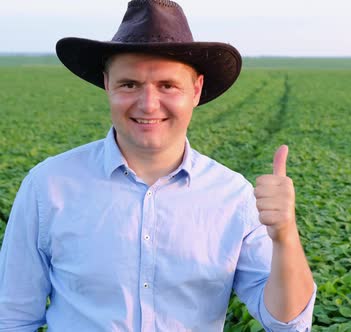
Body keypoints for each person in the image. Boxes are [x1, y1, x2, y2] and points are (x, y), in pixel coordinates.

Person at [0, 0, 315, 331]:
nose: (148, 104)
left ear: (195, 90)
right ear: (108, 85)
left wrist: (285, 236)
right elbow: (12, 317)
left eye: (167, 85)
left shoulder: (234, 197)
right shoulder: (48, 185)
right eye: (129, 84)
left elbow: (287, 323)